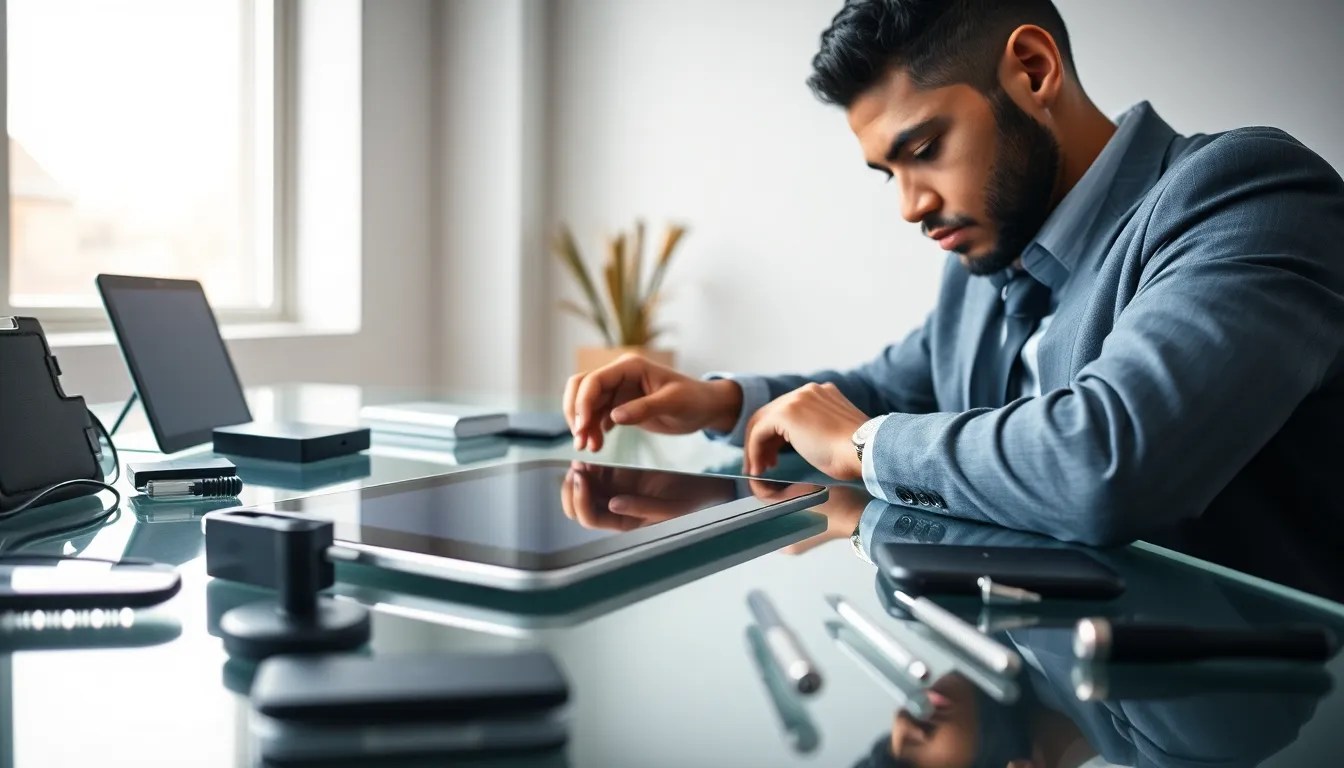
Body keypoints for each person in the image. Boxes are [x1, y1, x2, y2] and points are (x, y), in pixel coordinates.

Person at [562, 0, 1344, 546]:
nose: (909, 206)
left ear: (1034, 71)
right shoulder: (984, 257)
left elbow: (1106, 462)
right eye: (886, 173)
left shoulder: (1245, 191)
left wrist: (867, 446)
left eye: (924, 149)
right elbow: (889, 391)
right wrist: (720, 400)